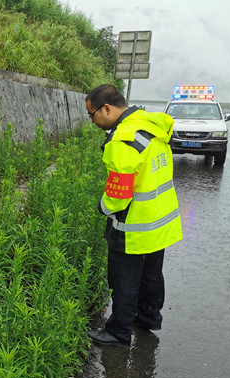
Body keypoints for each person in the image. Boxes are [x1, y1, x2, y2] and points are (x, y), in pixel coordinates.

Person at [85, 84, 182, 348]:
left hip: (134, 226)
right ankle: (149, 316)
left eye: (92, 115)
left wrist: (103, 207)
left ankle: (118, 332)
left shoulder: (123, 139)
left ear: (107, 108)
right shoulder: (151, 125)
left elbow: (118, 194)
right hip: (160, 222)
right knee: (151, 273)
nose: (92, 121)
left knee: (123, 278)